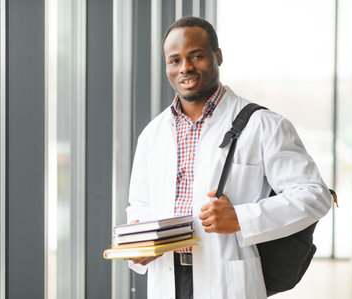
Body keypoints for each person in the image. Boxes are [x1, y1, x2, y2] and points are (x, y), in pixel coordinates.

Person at [125, 16, 332, 299]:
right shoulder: (153, 134)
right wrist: (140, 241)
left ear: (217, 56)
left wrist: (241, 218)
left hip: (227, 282)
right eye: (175, 60)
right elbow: (140, 204)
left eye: (196, 56)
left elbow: (314, 195)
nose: (185, 67)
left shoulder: (264, 125)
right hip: (166, 279)